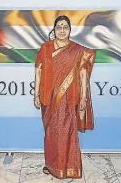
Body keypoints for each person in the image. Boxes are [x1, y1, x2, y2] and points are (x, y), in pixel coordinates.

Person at [34, 15, 96, 179]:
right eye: (59, 27)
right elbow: (38, 70)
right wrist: (36, 94)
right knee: (51, 133)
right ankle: (52, 165)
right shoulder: (46, 48)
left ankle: (68, 167)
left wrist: (83, 97)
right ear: (54, 30)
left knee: (67, 134)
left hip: (69, 99)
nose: (62, 30)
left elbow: (83, 75)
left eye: (65, 27)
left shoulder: (78, 50)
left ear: (70, 30)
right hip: (48, 98)